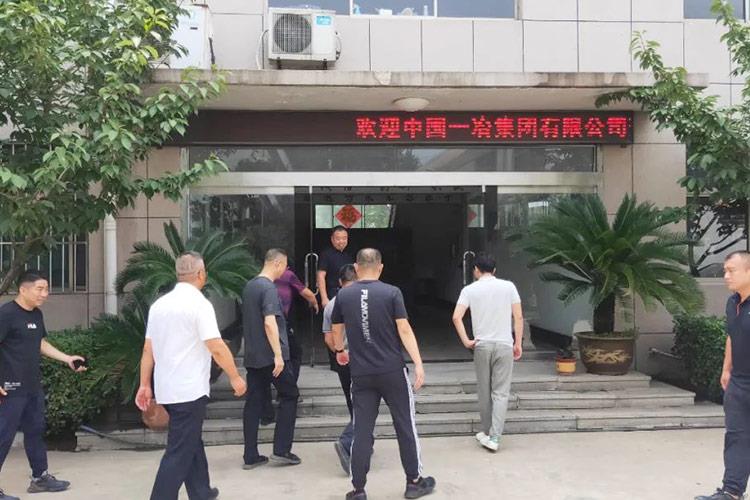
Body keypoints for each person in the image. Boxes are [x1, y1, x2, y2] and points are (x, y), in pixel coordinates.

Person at [136, 252, 247, 500]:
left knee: (191, 441)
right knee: (179, 452)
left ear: (178, 274)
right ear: (200, 274)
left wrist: (145, 384)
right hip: (189, 390)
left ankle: (201, 491)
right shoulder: (200, 305)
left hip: (167, 388)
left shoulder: (159, 306)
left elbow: (147, 350)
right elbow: (216, 346)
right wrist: (235, 376)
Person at [331, 248, 436, 500]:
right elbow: (404, 329)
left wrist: (340, 350)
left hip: (361, 374)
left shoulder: (343, 295)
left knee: (362, 430)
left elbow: (336, 328)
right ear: (380, 267)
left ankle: (358, 489)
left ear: (356, 267)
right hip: (392, 371)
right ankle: (414, 482)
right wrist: (419, 363)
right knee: (405, 425)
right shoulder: (392, 292)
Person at [0, 270, 86, 500]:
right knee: (3, 436)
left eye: (46, 289)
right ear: (23, 289)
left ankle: (40, 478)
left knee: (35, 431)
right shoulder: (6, 314)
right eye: (39, 289)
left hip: (32, 386)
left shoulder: (36, 315)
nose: (45, 294)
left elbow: (40, 343)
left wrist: (67, 359)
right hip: (9, 388)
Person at [452, 254, 524, 453]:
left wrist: (466, 341)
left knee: (484, 390)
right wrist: (518, 342)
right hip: (504, 345)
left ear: (476, 270)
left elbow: (456, 317)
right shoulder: (509, 287)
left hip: (482, 345)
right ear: (494, 270)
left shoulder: (469, 290)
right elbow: (518, 317)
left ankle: (487, 432)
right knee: (501, 392)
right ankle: (494, 436)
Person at [696, 251, 750, 500]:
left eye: (731, 270)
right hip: (739, 381)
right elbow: (732, 336)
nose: (726, 276)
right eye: (725, 271)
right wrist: (726, 369)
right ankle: (731, 492)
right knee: (736, 436)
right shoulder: (732, 302)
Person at [242, 248, 301, 469]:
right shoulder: (268, 288)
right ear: (277, 263)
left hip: (253, 356)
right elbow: (269, 322)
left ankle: (250, 455)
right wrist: (278, 355)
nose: (284, 271)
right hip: (271, 357)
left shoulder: (250, 286)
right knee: (290, 395)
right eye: (284, 266)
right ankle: (281, 450)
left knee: (253, 402)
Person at [322, 264, 357, 474]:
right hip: (363, 360)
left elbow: (328, 337)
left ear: (339, 282)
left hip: (342, 360)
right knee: (365, 405)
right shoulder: (362, 300)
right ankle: (348, 442)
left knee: (353, 401)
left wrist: (340, 352)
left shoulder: (331, 305)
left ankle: (363, 442)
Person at [318, 225, 354, 309]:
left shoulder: (350, 254)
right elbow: (320, 276)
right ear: (332, 239)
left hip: (349, 293)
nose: (341, 241)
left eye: (344, 238)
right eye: (338, 238)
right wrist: (324, 298)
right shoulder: (326, 254)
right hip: (332, 292)